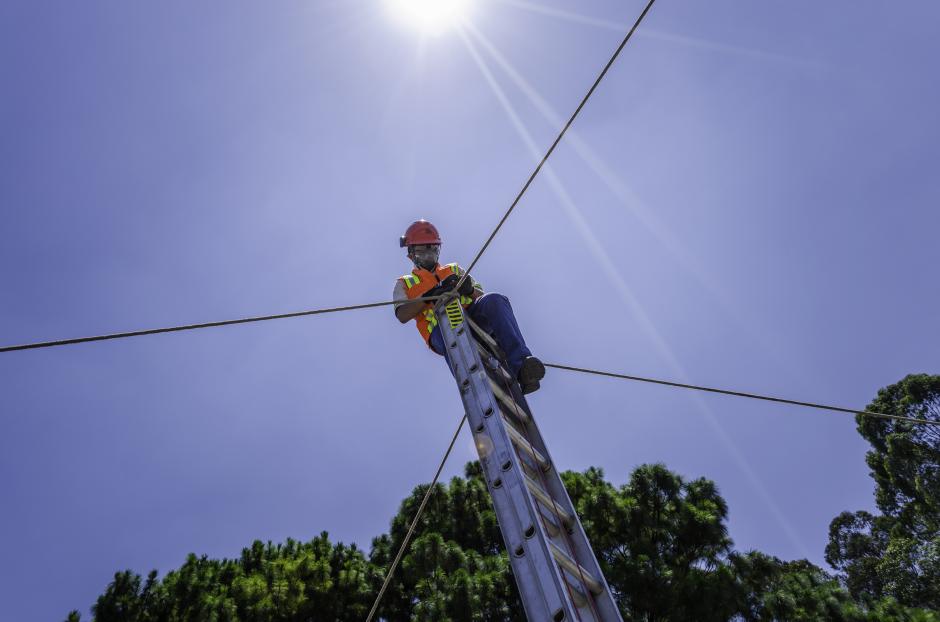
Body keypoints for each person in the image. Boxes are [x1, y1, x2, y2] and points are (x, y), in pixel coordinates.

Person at [393, 219, 546, 394]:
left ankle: (522, 366)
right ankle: (477, 391)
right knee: (452, 328)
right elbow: (402, 314)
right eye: (422, 252)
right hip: (440, 331)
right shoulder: (405, 283)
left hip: (473, 318)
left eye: (432, 250)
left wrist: (469, 289)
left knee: (495, 300)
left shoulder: (454, 269)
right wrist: (431, 294)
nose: (429, 256)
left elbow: (485, 300)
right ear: (411, 255)